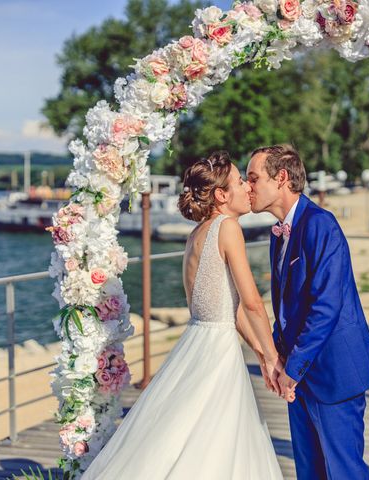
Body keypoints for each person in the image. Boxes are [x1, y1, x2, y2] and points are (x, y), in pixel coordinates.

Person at [82, 151, 284, 479]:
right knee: (213, 440)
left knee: (183, 433)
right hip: (218, 350)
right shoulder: (229, 227)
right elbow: (251, 304)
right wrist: (274, 357)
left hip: (197, 342)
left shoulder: (198, 234)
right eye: (239, 181)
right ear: (221, 195)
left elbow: (225, 310)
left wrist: (261, 352)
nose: (248, 187)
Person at [247, 144, 369, 480]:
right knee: (309, 473)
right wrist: (277, 358)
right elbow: (287, 308)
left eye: (253, 179)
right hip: (300, 374)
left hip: (334, 372)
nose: (248, 187)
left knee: (343, 472)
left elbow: (326, 307)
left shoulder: (321, 225)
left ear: (281, 179)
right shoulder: (278, 233)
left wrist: (290, 368)